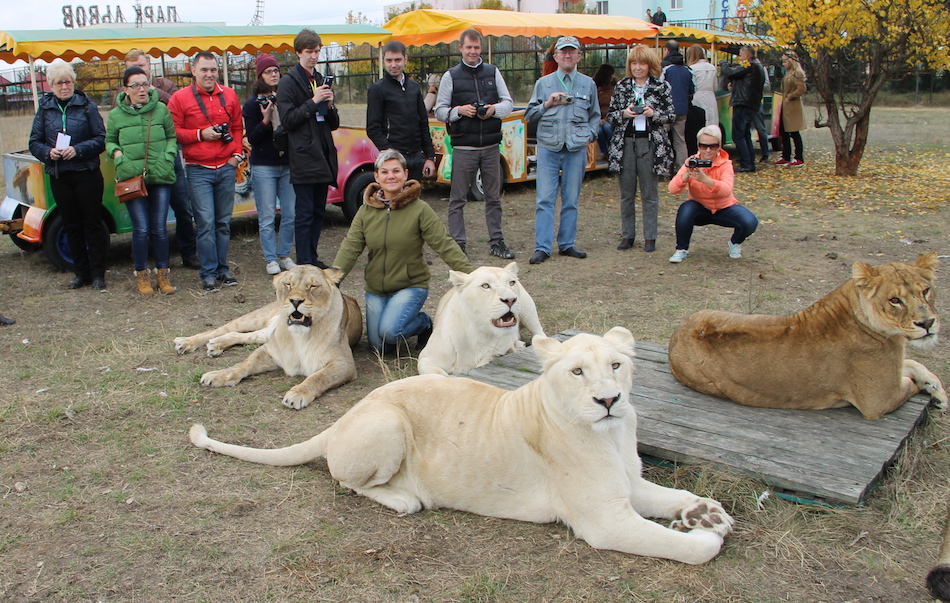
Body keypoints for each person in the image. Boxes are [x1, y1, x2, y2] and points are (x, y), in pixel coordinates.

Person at [332, 149, 474, 354]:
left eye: (396, 171)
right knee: (379, 348)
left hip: (410, 286)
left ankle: (423, 323)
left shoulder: (420, 209)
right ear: (376, 177)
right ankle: (396, 324)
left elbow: (444, 244)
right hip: (376, 289)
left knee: (390, 332)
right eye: (385, 171)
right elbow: (350, 246)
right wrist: (333, 279)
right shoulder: (365, 211)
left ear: (406, 174)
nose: (391, 176)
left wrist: (473, 275)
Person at [434, 28, 515, 260]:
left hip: (490, 146)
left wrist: (493, 110)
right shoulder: (451, 76)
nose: (473, 52)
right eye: (468, 47)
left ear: (481, 48)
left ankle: (497, 242)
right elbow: (439, 111)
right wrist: (458, 111)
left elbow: (509, 103)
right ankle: (458, 245)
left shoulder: (492, 71)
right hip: (464, 147)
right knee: (458, 199)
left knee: (493, 198)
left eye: (476, 47)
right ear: (460, 48)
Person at [29, 59, 108, 290]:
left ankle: (98, 273)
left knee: (92, 223)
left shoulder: (87, 106)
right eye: (59, 83)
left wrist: (78, 150)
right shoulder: (44, 109)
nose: (64, 86)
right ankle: (80, 273)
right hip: (60, 175)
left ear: (74, 82)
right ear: (51, 85)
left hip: (86, 173)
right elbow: (34, 142)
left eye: (68, 82)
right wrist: (47, 152)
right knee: (71, 224)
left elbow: (100, 139)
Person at [168, 52, 244, 291]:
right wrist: (201, 134)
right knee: (206, 223)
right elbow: (174, 131)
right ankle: (208, 273)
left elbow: (237, 127)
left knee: (223, 222)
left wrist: (236, 155)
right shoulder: (180, 99)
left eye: (213, 70)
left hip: (225, 167)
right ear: (193, 70)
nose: (209, 74)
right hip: (198, 169)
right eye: (204, 70)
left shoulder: (229, 95)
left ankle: (223, 269)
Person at [122, 49, 199, 270]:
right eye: (133, 67)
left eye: (143, 65)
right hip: (139, 161)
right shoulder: (125, 92)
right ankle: (152, 260)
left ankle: (188, 252)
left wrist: (156, 92)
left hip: (167, 156)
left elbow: (178, 106)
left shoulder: (166, 85)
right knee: (148, 215)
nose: (139, 70)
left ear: (149, 66)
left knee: (182, 204)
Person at [525, 36, 599, 265]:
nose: (568, 56)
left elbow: (595, 116)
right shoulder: (543, 83)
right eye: (563, 52)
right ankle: (543, 247)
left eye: (572, 52)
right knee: (544, 200)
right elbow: (528, 116)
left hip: (575, 148)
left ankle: (567, 244)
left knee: (571, 199)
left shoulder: (588, 84)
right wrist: (546, 104)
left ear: (579, 56)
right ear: (555, 56)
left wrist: (589, 135)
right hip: (548, 147)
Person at [106, 66, 179, 295]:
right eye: (135, 85)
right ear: (126, 89)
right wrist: (118, 156)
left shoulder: (160, 110)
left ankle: (163, 275)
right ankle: (142, 275)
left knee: (159, 228)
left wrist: (168, 157)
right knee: (141, 228)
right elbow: (109, 141)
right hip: (132, 177)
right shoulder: (116, 115)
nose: (142, 89)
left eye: (145, 84)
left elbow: (171, 137)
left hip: (160, 174)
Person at [277, 28, 340, 269]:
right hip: (304, 155)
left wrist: (330, 105)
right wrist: (313, 102)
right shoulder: (288, 82)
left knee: (318, 212)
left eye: (317, 51)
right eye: (309, 52)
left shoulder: (320, 79)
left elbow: (332, 123)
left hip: (323, 153)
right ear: (297, 53)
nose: (313, 56)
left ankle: (312, 257)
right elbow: (289, 120)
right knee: (304, 214)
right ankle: (304, 260)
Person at [606, 45, 675, 253]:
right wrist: (625, 114)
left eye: (642, 63)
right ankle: (628, 235)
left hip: (651, 143)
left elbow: (671, 115)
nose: (638, 67)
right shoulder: (621, 86)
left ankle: (650, 237)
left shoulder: (661, 87)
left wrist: (653, 113)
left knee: (649, 192)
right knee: (627, 192)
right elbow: (610, 115)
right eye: (634, 63)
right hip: (626, 143)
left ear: (650, 65)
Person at [668, 125, 759, 263]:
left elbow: (726, 190)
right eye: (703, 146)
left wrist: (705, 179)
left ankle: (735, 243)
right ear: (698, 145)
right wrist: (687, 174)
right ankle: (681, 249)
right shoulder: (692, 161)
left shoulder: (726, 164)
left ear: (719, 146)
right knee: (685, 210)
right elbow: (673, 189)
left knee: (750, 221)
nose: (708, 150)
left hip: (724, 207)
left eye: (713, 146)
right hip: (700, 207)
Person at [243, 54, 297, 276]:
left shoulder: (287, 98)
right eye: (268, 71)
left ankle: (284, 254)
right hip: (264, 165)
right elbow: (252, 139)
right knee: (266, 215)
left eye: (276, 70)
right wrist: (266, 120)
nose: (274, 74)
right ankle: (270, 258)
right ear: (260, 76)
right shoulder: (251, 104)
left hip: (287, 162)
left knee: (290, 213)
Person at [366, 40, 436, 182]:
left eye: (397, 60)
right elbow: (373, 128)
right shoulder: (377, 89)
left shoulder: (414, 87)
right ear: (384, 61)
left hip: (416, 157)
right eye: (389, 60)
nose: (393, 64)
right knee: (395, 201)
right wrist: (391, 154)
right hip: (394, 158)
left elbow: (423, 123)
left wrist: (429, 157)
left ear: (405, 59)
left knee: (413, 201)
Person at [720, 46, 765, 173]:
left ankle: (746, 163)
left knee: (738, 135)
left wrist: (724, 64)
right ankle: (749, 161)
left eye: (741, 54)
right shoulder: (757, 67)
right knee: (744, 134)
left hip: (743, 102)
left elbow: (731, 73)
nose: (739, 57)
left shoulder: (748, 65)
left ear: (747, 54)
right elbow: (744, 80)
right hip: (751, 103)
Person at [661, 40, 694, 171]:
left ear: (667, 51)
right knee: (680, 140)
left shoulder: (666, 69)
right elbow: (692, 90)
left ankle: (664, 167)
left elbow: (660, 88)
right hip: (683, 109)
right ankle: (682, 169)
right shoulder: (688, 70)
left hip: (667, 110)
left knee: (663, 139)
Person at [775, 51, 807, 167]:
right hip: (785, 106)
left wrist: (790, 96)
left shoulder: (797, 73)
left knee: (794, 132)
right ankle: (786, 155)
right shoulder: (789, 73)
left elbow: (802, 88)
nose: (783, 63)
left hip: (792, 107)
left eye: (785, 61)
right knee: (783, 131)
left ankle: (799, 157)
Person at [686, 45, 718, 128]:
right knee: (712, 121)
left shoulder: (692, 68)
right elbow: (715, 86)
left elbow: (692, 86)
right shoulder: (712, 67)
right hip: (711, 97)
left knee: (699, 122)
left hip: (698, 96)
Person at [750, 50, 772, 163]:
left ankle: (765, 152)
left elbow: (767, 85)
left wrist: (755, 86)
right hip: (746, 101)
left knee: (760, 127)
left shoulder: (760, 68)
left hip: (756, 100)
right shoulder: (745, 67)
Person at [592, 63, 616, 157]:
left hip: (611, 117)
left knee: (607, 127)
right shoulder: (595, 89)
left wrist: (606, 118)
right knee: (599, 131)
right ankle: (605, 151)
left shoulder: (615, 88)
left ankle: (613, 149)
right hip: (599, 117)